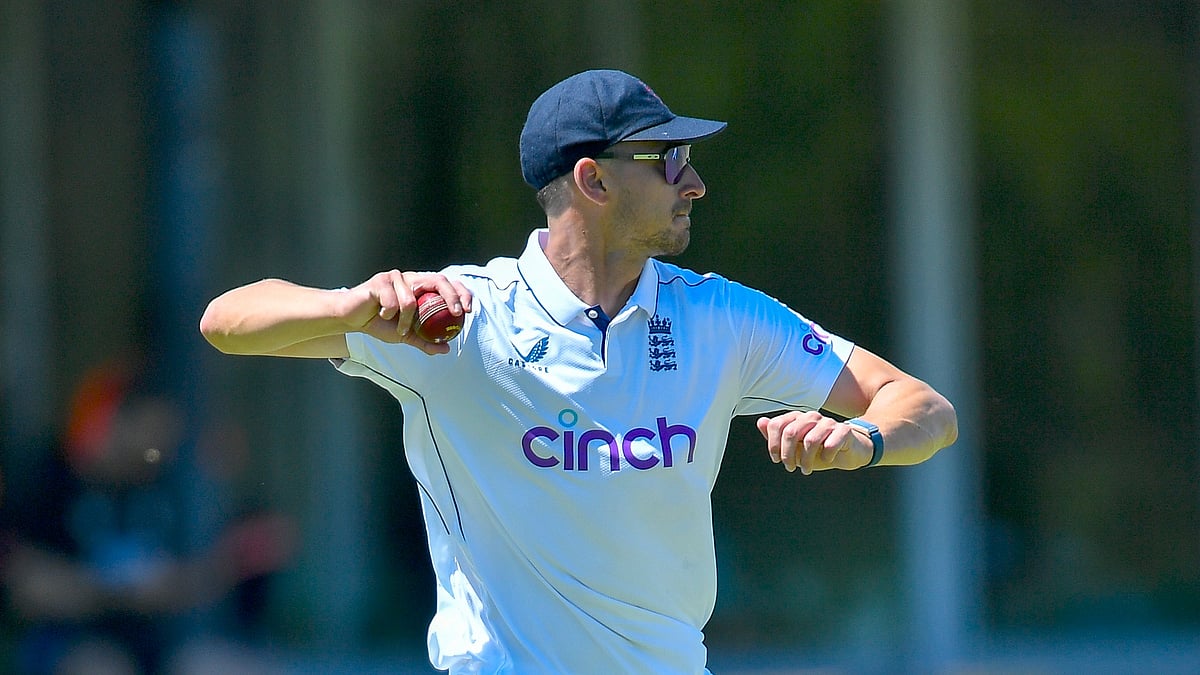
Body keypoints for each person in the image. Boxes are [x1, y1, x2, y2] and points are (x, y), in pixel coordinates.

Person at [199, 69, 958, 674]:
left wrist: (860, 438)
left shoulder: (722, 319)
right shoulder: (464, 318)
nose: (693, 183)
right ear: (593, 182)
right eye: (669, 162)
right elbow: (228, 320)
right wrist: (352, 306)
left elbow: (923, 406)